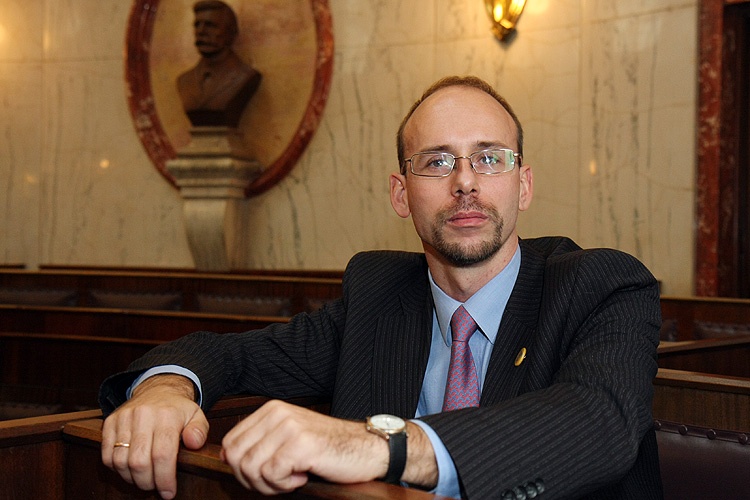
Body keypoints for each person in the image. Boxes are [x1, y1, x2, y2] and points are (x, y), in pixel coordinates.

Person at [99, 75, 663, 499]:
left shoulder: (600, 285)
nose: (465, 182)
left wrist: (378, 445)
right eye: (437, 162)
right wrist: (167, 386)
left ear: (523, 185)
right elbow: (235, 356)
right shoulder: (379, 296)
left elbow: (598, 420)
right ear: (400, 194)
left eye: (489, 158)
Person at [176, 0, 262, 127]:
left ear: (231, 33)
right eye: (197, 25)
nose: (201, 31)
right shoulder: (184, 81)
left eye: (210, 25)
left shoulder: (245, 76)